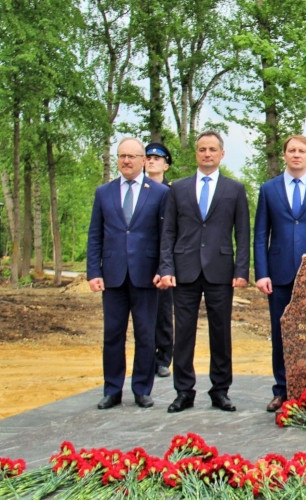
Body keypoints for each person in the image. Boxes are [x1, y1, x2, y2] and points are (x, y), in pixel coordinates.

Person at [158, 131, 250, 413]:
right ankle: (184, 391)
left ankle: (220, 390)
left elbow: (243, 233)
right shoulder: (178, 189)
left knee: (220, 333)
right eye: (202, 149)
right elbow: (168, 231)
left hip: (220, 271)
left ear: (222, 154)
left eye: (212, 149)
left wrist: (241, 269)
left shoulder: (235, 189)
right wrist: (166, 267)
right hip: (184, 269)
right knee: (183, 333)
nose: (207, 154)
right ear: (196, 154)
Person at [253, 134, 306, 412]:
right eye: (291, 150)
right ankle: (281, 390)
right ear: (285, 155)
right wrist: (261, 273)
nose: (296, 155)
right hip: (277, 274)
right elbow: (260, 235)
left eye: (301, 150)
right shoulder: (269, 189)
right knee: (281, 333)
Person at [86, 137, 169, 410]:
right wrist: (93, 271)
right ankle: (112, 390)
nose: (126, 161)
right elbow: (95, 234)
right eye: (122, 156)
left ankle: (142, 389)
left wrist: (163, 268)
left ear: (143, 161)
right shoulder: (104, 192)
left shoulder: (158, 193)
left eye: (132, 156)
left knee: (146, 335)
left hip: (146, 276)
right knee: (113, 334)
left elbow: (165, 236)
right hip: (113, 275)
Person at [144, 142, 174, 378]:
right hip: (141, 259)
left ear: (166, 164)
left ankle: (163, 358)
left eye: (157, 158)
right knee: (143, 313)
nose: (152, 161)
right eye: (149, 158)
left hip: (165, 261)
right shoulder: (137, 189)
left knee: (164, 312)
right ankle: (145, 357)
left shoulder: (172, 192)